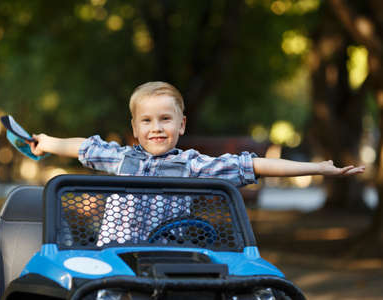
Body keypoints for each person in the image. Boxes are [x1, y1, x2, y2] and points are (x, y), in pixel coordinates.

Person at [28, 81, 364, 245]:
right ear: (134, 128)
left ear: (182, 125)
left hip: (167, 257)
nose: (156, 128)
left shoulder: (194, 165)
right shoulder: (121, 158)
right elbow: (84, 147)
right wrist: (48, 143)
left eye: (165, 119)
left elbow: (255, 166)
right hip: (112, 255)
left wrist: (318, 168)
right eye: (146, 121)